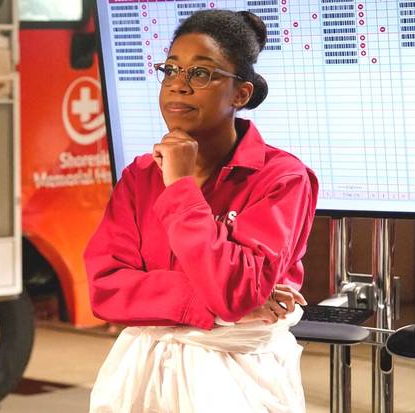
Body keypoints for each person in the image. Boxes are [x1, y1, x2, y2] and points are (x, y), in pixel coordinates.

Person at [84, 9, 318, 413]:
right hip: (145, 373)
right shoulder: (140, 175)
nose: (179, 85)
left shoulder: (281, 179)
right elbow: (107, 288)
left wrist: (179, 187)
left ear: (241, 95)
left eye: (201, 73)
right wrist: (201, 301)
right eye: (171, 69)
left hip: (245, 378)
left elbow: (236, 292)